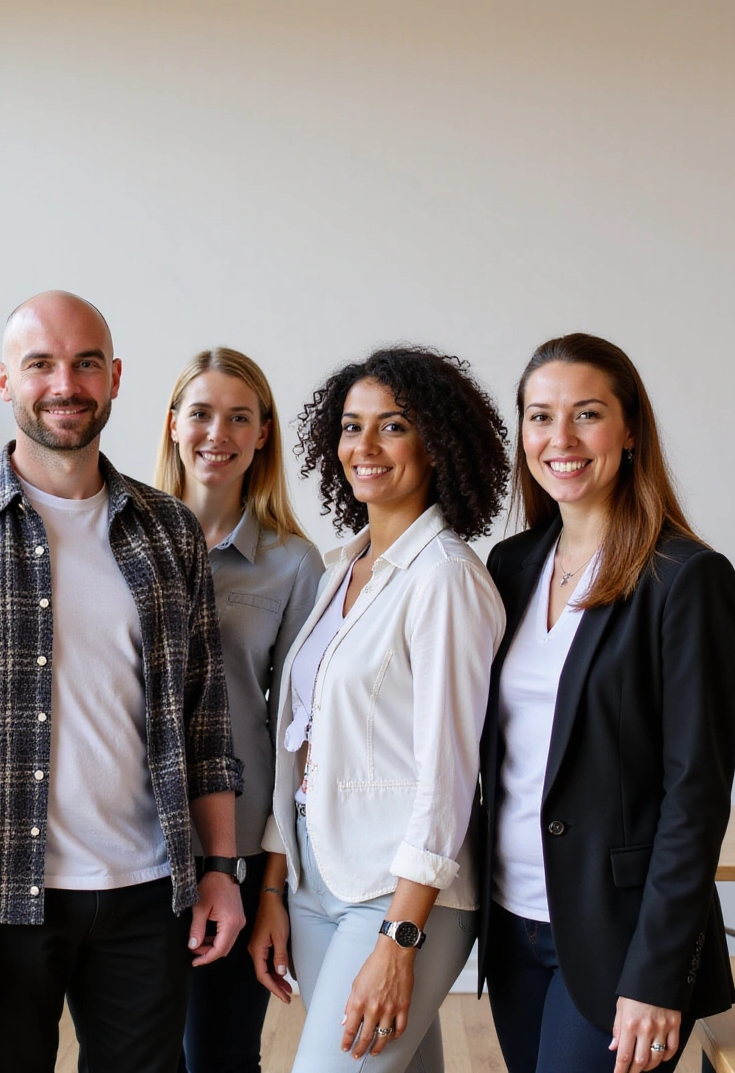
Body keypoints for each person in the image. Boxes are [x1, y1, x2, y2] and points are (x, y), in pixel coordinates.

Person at [0, 291, 245, 1073]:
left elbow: (205, 719)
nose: (65, 383)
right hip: (4, 896)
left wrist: (221, 870)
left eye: (85, 363)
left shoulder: (169, 528)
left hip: (147, 890)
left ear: (115, 377)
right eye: (41, 364)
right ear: (4, 379)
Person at [479, 333, 735, 1073]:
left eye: (586, 414)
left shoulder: (684, 578)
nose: (559, 438)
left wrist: (658, 975)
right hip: (513, 923)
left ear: (629, 432)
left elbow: (696, 794)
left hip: (623, 941)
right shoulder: (512, 565)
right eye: (539, 416)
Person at [248, 346, 510, 1073]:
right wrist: (276, 883)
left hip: (396, 896)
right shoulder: (341, 568)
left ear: (437, 443)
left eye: (392, 427)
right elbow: (303, 743)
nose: (363, 447)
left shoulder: (447, 579)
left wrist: (399, 940)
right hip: (315, 876)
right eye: (351, 426)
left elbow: (448, 774)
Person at [154, 348, 325, 1073]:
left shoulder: (295, 563)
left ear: (262, 436)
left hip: (244, 842)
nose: (216, 433)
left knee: (221, 1055)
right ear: (171, 426)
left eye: (238, 417)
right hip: (135, 843)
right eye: (200, 413)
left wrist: (277, 882)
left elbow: (302, 736)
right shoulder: (124, 539)